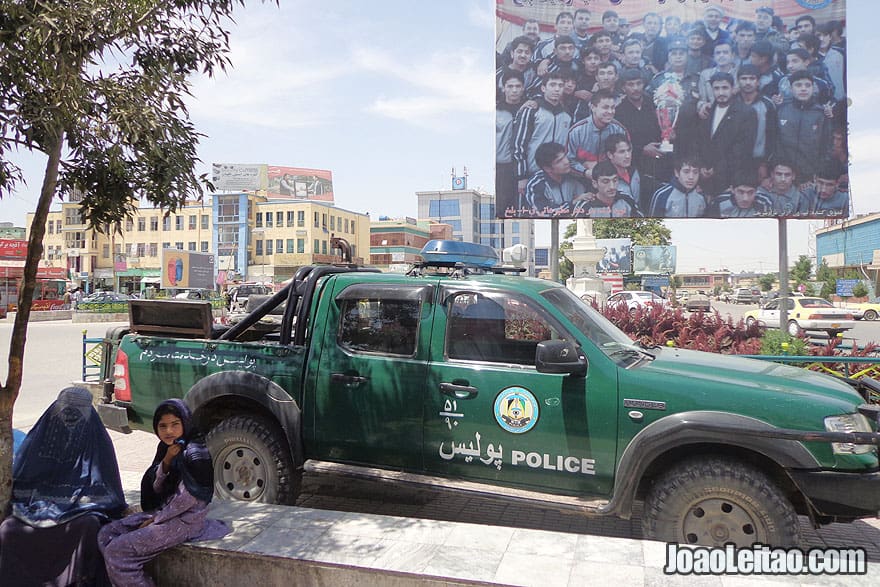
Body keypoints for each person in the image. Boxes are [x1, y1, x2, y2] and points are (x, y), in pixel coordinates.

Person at [0, 387, 127, 585]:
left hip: (79, 512)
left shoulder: (97, 441)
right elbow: (24, 480)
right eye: (66, 409)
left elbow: (109, 492)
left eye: (78, 410)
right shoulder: (41, 437)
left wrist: (81, 503)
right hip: (38, 506)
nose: (70, 416)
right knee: (8, 529)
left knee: (90, 525)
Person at [98, 399, 229, 586]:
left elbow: (188, 499)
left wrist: (156, 520)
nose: (169, 431)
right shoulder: (166, 449)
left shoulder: (195, 453)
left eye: (175, 424)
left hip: (185, 520)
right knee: (106, 534)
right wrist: (167, 461)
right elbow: (156, 489)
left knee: (117, 551)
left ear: (185, 423)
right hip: (162, 514)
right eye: (163, 426)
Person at [696, 72, 757, 198]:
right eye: (716, 88)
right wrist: (701, 166)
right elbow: (701, 143)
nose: (721, 93)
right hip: (706, 177)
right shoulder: (707, 111)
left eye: (725, 88)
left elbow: (742, 149)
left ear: (733, 89)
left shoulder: (746, 112)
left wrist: (717, 169)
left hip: (731, 177)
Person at [513, 71, 572, 193]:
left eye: (560, 86)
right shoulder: (531, 110)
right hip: (532, 171)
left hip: (558, 173)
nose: (557, 89)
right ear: (543, 88)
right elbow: (519, 144)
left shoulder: (566, 114)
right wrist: (522, 176)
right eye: (552, 85)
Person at [776, 71, 832, 178]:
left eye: (807, 85)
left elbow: (826, 146)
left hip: (809, 174)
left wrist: (818, 171)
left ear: (813, 88)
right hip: (784, 174)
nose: (803, 89)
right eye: (798, 85)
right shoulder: (781, 110)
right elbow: (775, 141)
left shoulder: (821, 114)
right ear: (791, 88)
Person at [566, 89, 628, 179]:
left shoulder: (619, 129)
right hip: (581, 178)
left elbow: (626, 158)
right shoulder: (576, 131)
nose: (610, 112)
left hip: (612, 178)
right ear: (593, 107)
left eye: (613, 107)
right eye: (605, 107)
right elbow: (568, 161)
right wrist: (585, 172)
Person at [522, 142, 588, 214]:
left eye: (565, 156)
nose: (566, 162)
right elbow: (543, 212)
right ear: (547, 169)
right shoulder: (535, 184)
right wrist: (573, 203)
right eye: (559, 161)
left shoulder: (574, 174)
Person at [496, 69, 525, 215]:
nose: (514, 90)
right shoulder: (496, 111)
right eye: (510, 86)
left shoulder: (529, 109)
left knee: (520, 208)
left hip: (524, 168)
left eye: (518, 86)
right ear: (503, 87)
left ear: (523, 88)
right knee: (502, 208)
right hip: (503, 167)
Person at [707, 170, 773, 218]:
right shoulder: (719, 202)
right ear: (732, 189)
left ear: (756, 191)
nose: (745, 198)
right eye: (741, 192)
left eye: (750, 192)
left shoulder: (764, 203)